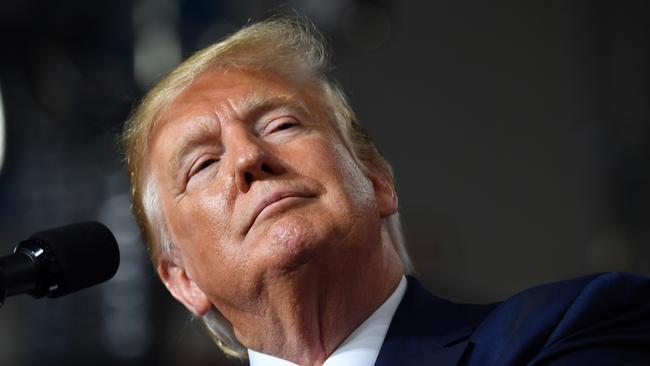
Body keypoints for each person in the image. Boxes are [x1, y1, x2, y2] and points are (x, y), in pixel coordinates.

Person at [122, 18, 650, 366]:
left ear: (377, 181)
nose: (246, 158)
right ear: (183, 279)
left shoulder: (568, 328)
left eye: (282, 125)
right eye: (204, 163)